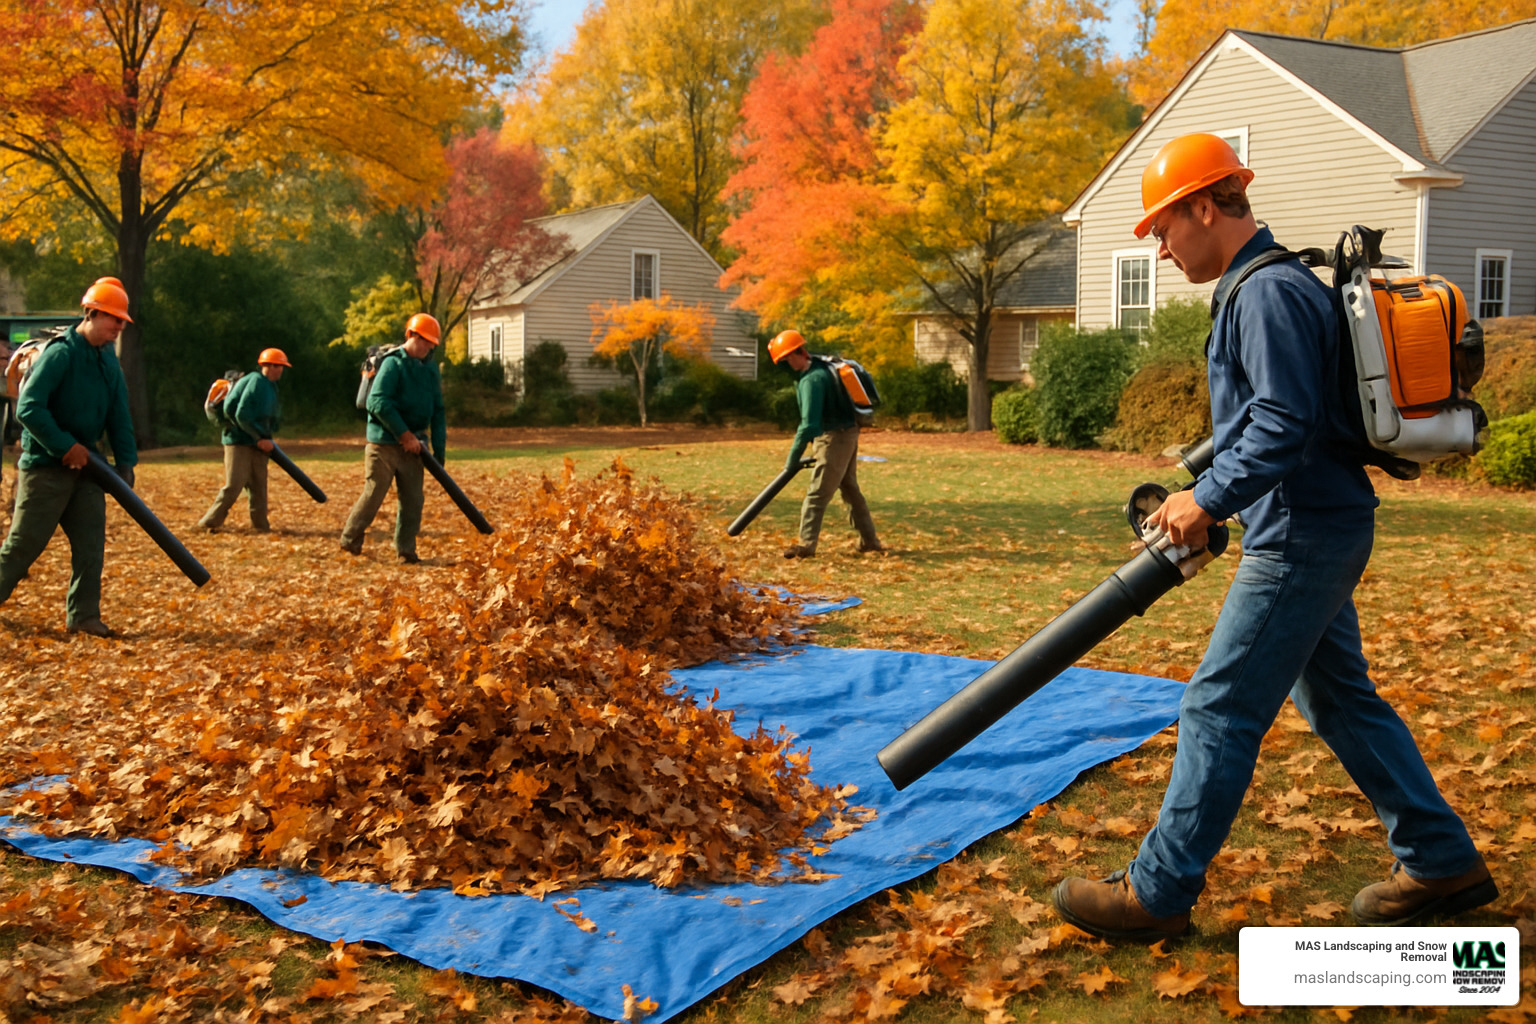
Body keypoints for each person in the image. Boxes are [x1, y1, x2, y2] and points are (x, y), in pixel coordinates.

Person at [1051, 134, 1495, 940]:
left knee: (1219, 705)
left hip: (1299, 536)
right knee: (1339, 700)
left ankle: (1156, 894)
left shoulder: (1264, 292)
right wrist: (1204, 487)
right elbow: (1271, 413)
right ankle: (1440, 860)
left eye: (1161, 227)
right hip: (1317, 525)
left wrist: (1207, 501)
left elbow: (1283, 423)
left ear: (1202, 206)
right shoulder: (1270, 284)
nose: (1157, 247)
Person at [0, 279, 138, 637]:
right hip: (46, 468)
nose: (119, 327)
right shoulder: (60, 353)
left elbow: (119, 415)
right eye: (114, 320)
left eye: (122, 322)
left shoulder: (108, 359)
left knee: (91, 545)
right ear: (91, 314)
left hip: (89, 470)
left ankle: (84, 616)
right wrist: (65, 447)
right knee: (23, 547)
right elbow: (29, 409)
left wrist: (125, 463)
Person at [339, 313, 446, 564]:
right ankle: (349, 540)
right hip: (384, 442)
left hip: (416, 446)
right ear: (410, 335)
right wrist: (404, 434)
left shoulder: (430, 370)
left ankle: (406, 551)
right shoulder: (392, 363)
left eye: (432, 343)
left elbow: (438, 411)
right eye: (425, 341)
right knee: (374, 492)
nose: (428, 347)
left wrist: (439, 454)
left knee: (413, 500)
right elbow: (377, 402)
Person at [769, 329, 883, 559]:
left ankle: (806, 545)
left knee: (817, 494)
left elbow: (809, 425)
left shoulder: (813, 379)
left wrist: (791, 460)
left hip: (834, 438)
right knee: (850, 489)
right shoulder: (822, 367)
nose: (787, 364)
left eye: (786, 359)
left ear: (797, 353)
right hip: (848, 432)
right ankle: (870, 541)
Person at [198, 348, 290, 533]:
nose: (280, 369)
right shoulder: (256, 382)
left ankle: (261, 527)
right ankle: (207, 523)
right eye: (277, 366)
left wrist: (265, 438)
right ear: (267, 366)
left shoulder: (270, 385)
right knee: (234, 484)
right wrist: (258, 438)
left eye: (281, 366)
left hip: (257, 441)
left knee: (258, 485)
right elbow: (241, 414)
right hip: (238, 441)